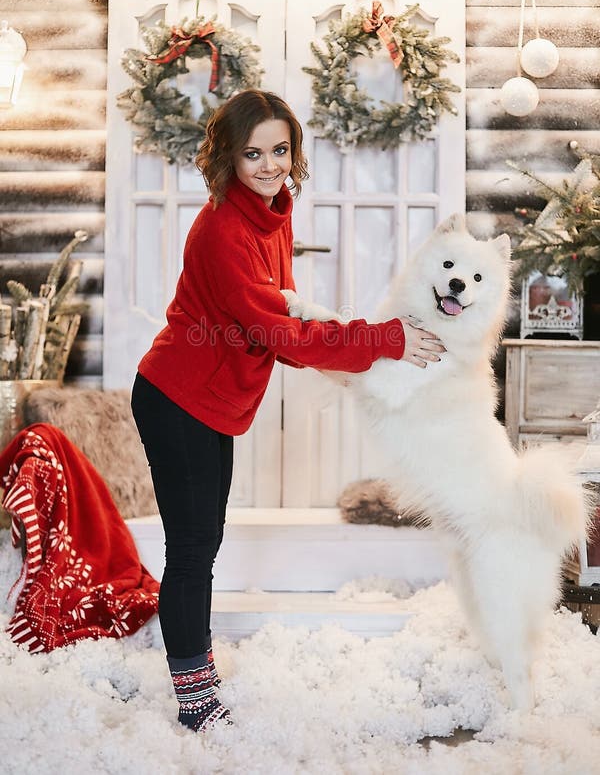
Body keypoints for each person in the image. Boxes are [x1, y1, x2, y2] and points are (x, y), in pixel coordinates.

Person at [131, 89, 445, 733]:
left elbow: (285, 310)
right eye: (254, 154)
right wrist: (382, 337)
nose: (271, 166)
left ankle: (200, 670)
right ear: (227, 159)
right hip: (178, 397)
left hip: (213, 402)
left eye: (281, 150)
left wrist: (339, 337)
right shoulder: (221, 230)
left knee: (204, 542)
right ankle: (195, 696)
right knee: (192, 550)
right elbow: (284, 335)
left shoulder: (276, 209)